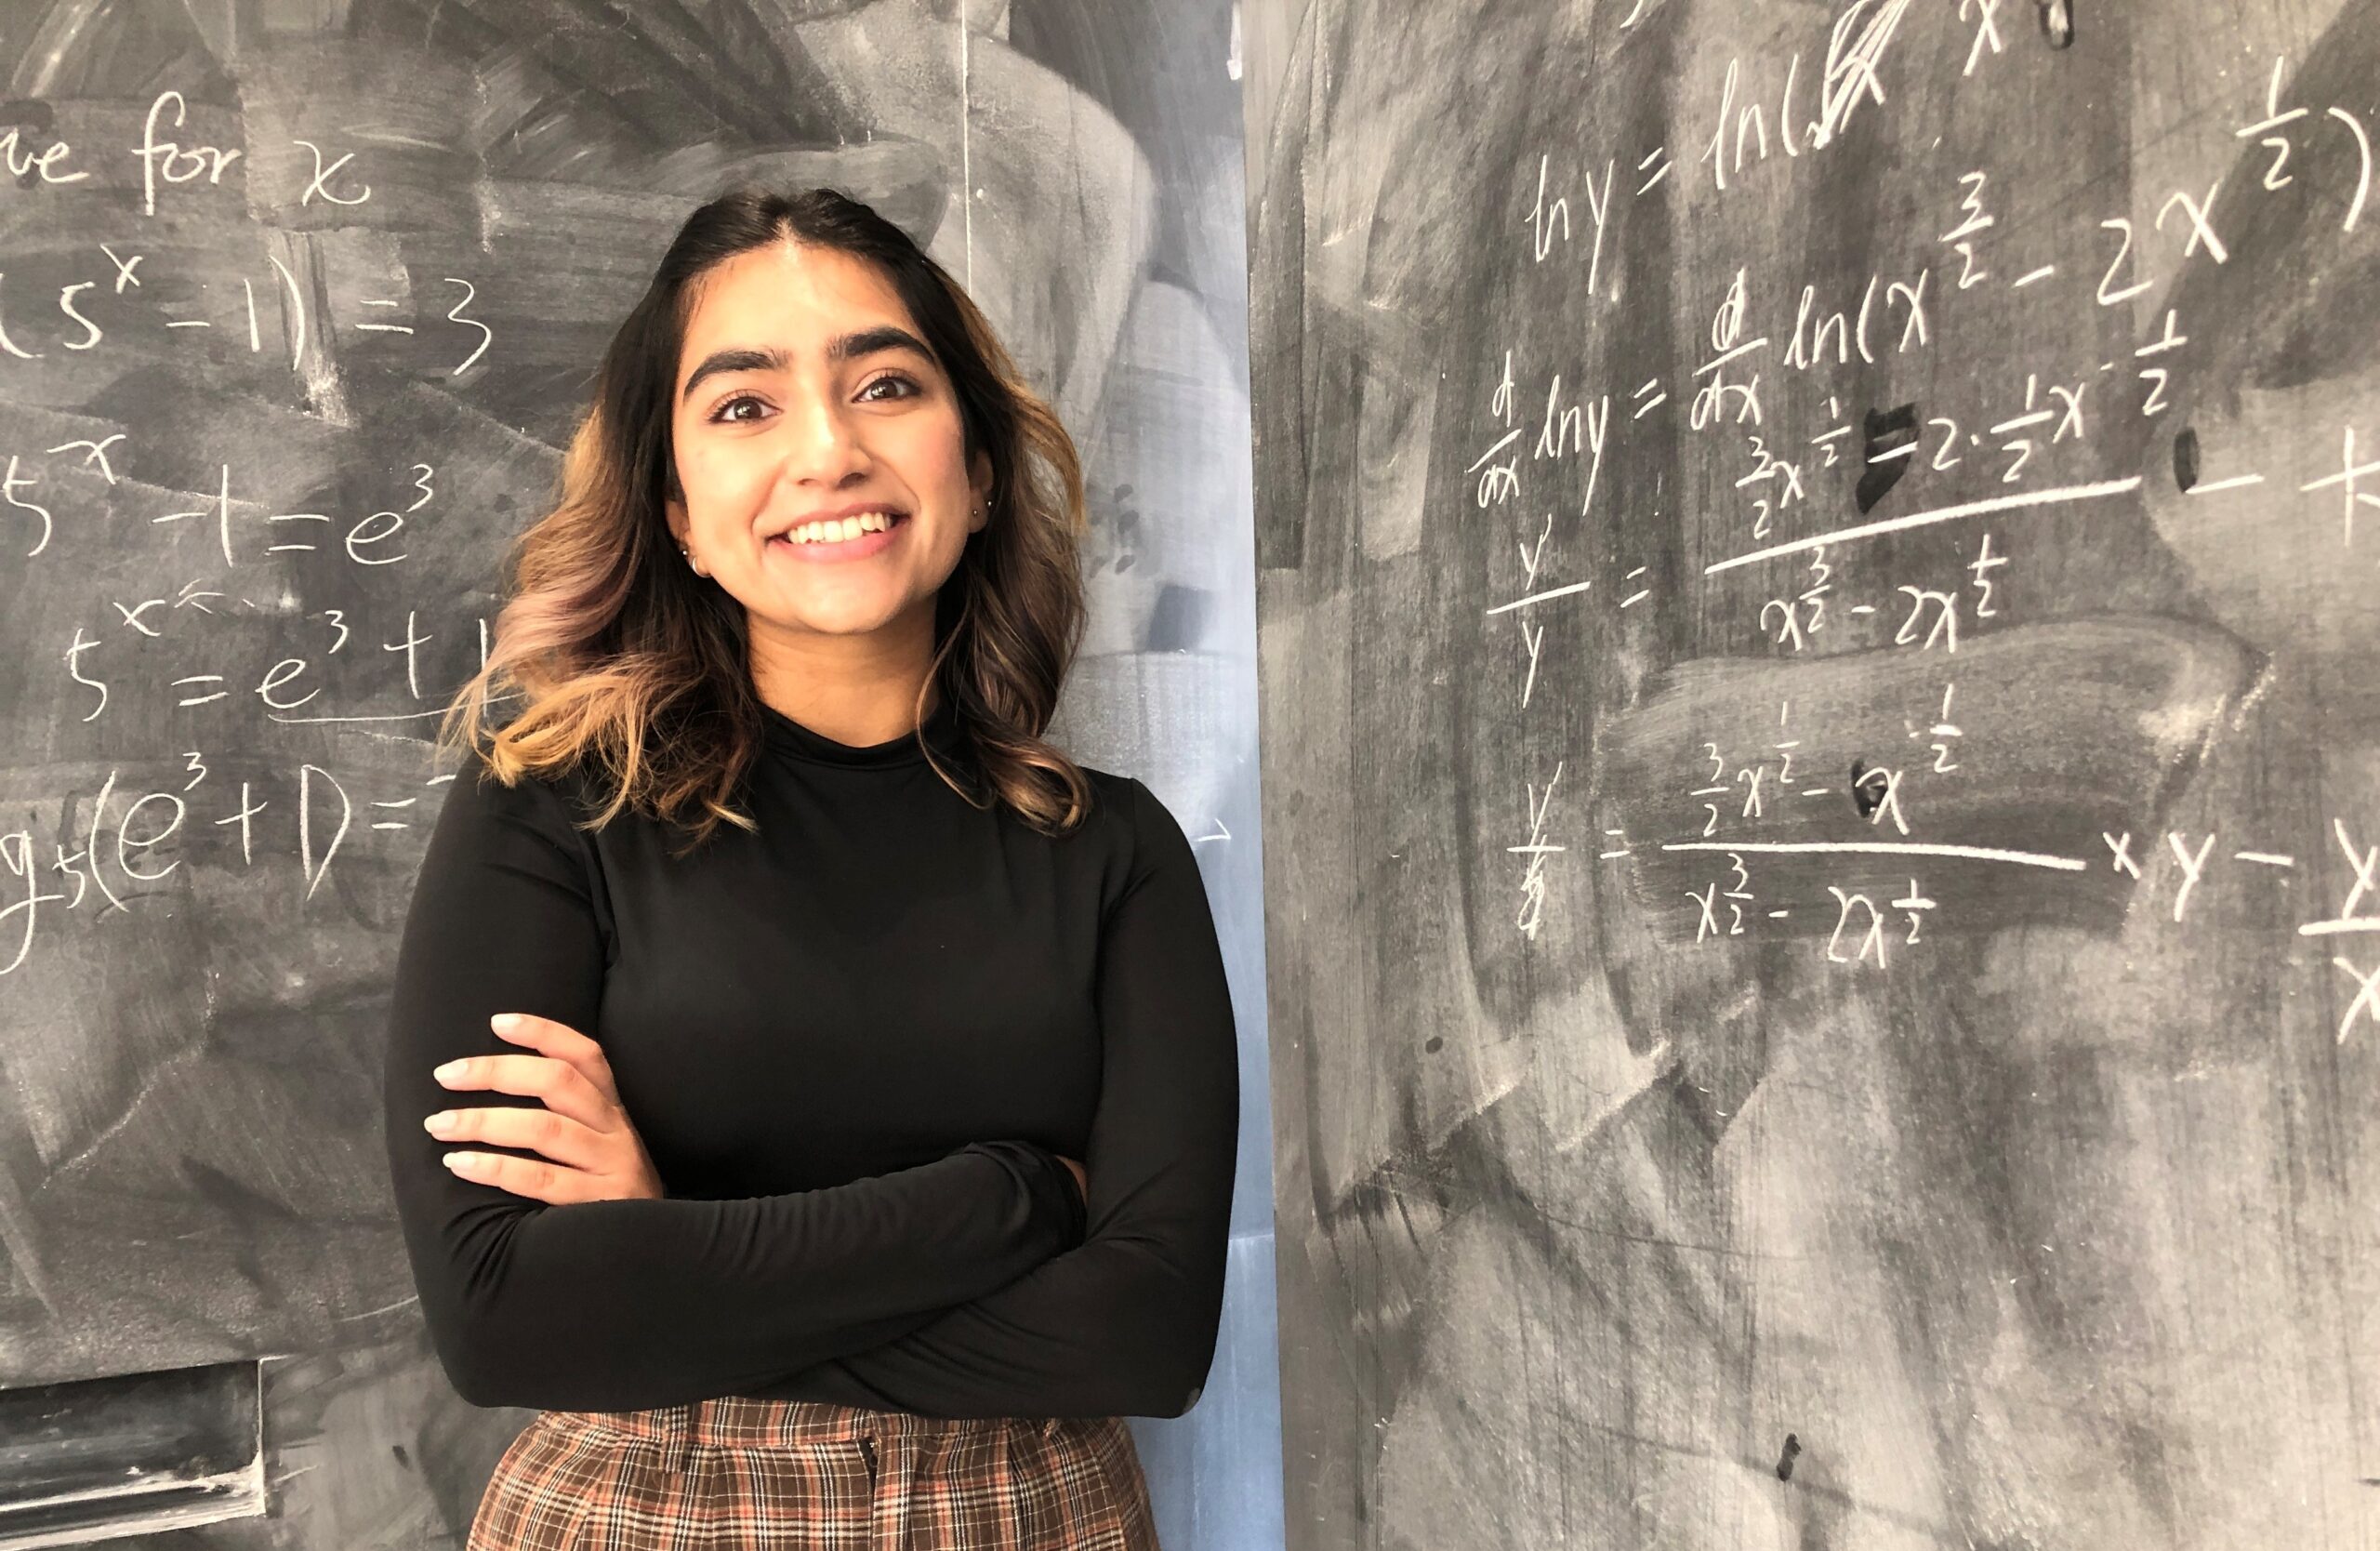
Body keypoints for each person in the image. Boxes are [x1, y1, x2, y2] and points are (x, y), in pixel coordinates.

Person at [379, 184, 1240, 1550]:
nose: (829, 452)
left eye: (886, 385)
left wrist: (667, 1259)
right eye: (744, 406)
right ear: (675, 508)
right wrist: (1014, 1198)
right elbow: (503, 1318)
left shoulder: (1113, 851)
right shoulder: (551, 811)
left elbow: (1144, 1337)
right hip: (635, 1519)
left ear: (979, 466)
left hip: (1032, 1521)